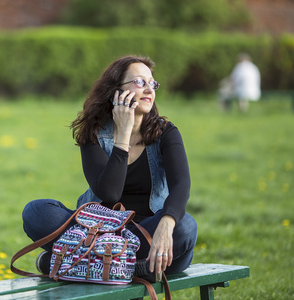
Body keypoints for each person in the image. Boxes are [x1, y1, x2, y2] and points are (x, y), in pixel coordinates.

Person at [22, 55, 198, 281]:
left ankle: (78, 261)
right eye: (139, 82)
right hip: (97, 230)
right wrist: (123, 136)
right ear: (116, 91)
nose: (149, 89)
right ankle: (123, 265)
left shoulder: (166, 133)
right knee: (36, 212)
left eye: (152, 83)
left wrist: (167, 221)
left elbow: (181, 185)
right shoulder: (94, 132)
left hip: (145, 233)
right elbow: (110, 193)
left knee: (184, 227)